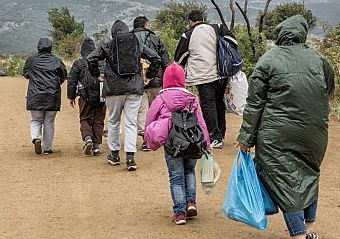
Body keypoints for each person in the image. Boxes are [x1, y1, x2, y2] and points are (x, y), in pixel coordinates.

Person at [236, 15, 335, 239]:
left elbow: (255, 103)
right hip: (315, 131)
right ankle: (309, 230)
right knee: (309, 173)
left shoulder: (269, 59)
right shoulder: (319, 59)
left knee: (285, 179)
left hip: (276, 133)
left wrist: (246, 138)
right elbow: (328, 89)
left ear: (280, 34)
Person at [87, 20, 161, 171]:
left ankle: (114, 155)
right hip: (134, 88)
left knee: (114, 121)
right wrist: (149, 75)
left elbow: (91, 58)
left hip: (113, 89)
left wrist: (98, 75)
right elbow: (156, 58)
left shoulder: (108, 44)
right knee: (131, 122)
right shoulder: (136, 43)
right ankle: (130, 157)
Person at [144, 63, 210, 225]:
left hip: (172, 142)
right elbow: (201, 122)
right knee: (189, 171)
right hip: (192, 142)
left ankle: (179, 213)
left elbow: (149, 119)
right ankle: (191, 203)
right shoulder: (192, 98)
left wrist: (150, 138)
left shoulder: (161, 98)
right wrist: (206, 143)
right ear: (183, 80)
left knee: (176, 177)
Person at [174, 9, 234, 149]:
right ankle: (221, 133)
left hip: (203, 76)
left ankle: (214, 137)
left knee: (208, 106)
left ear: (190, 21)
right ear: (202, 18)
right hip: (221, 73)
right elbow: (233, 42)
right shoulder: (218, 28)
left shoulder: (188, 34)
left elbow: (179, 58)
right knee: (219, 103)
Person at [131, 16, 171, 151]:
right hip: (156, 81)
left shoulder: (129, 40)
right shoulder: (156, 39)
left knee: (142, 110)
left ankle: (145, 140)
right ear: (146, 25)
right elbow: (165, 60)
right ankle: (157, 137)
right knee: (157, 110)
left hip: (136, 82)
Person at [23, 38, 67, 155]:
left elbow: (26, 74)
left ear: (38, 47)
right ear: (50, 47)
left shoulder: (31, 60)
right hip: (52, 96)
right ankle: (47, 148)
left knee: (36, 119)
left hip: (35, 95)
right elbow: (63, 76)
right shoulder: (57, 61)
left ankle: (36, 138)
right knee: (49, 121)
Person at [67, 37, 106, 156]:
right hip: (101, 95)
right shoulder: (102, 62)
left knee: (85, 118)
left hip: (85, 96)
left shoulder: (79, 63)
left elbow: (72, 81)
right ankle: (96, 147)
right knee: (99, 120)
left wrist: (71, 96)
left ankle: (88, 138)